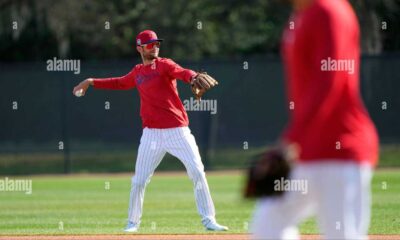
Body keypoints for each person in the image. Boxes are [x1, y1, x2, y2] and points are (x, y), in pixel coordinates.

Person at [72, 30, 228, 232]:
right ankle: (132, 223)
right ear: (139, 48)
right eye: (149, 44)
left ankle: (209, 220)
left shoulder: (164, 64)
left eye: (157, 44)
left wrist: (193, 77)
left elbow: (181, 72)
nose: (154, 47)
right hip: (151, 134)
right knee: (139, 180)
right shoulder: (137, 72)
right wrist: (91, 82)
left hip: (177, 131)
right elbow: (119, 82)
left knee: (198, 172)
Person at [250, 0, 379, 239]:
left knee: (341, 234)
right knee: (269, 223)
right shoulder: (302, 14)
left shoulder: (329, 11)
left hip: (340, 147)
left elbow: (328, 82)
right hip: (308, 149)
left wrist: (290, 139)